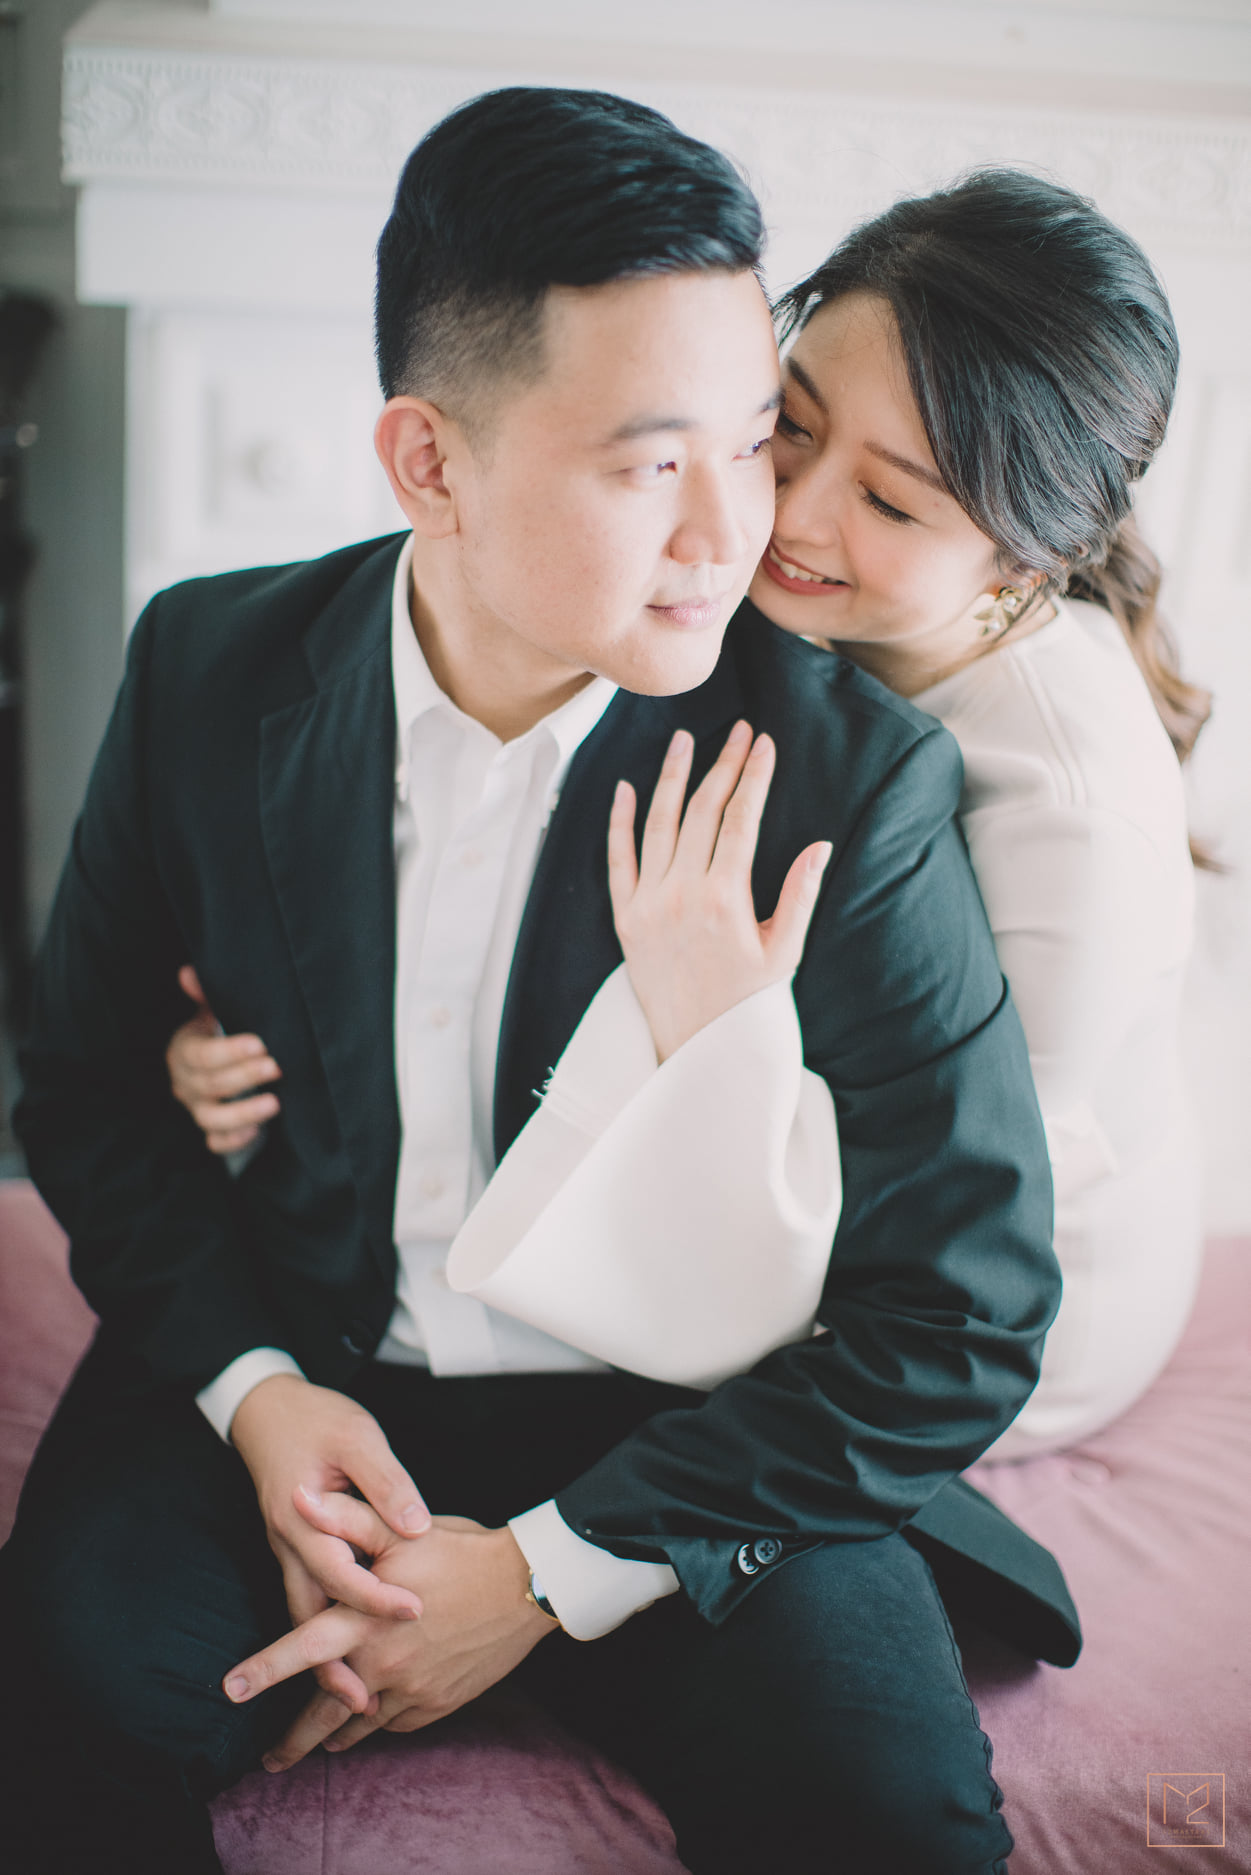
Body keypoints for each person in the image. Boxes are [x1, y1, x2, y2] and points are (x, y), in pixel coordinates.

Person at [4, 94, 1076, 1875]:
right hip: (299, 1351)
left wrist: (543, 1576)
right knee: (55, 1721)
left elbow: (965, 1310)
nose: (735, 532)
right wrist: (256, 1392)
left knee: (886, 1814)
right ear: (428, 463)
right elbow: (86, 1087)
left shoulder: (848, 777)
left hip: (689, 1433)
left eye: (758, 439)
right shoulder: (207, 665)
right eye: (653, 466)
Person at [177, 170, 1208, 1461]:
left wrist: (719, 1027)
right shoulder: (735, 619)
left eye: (891, 502)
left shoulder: (1072, 820)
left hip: (979, 1324)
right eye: (790, 427)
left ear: (1026, 555)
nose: (789, 514)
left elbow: (950, 1219)